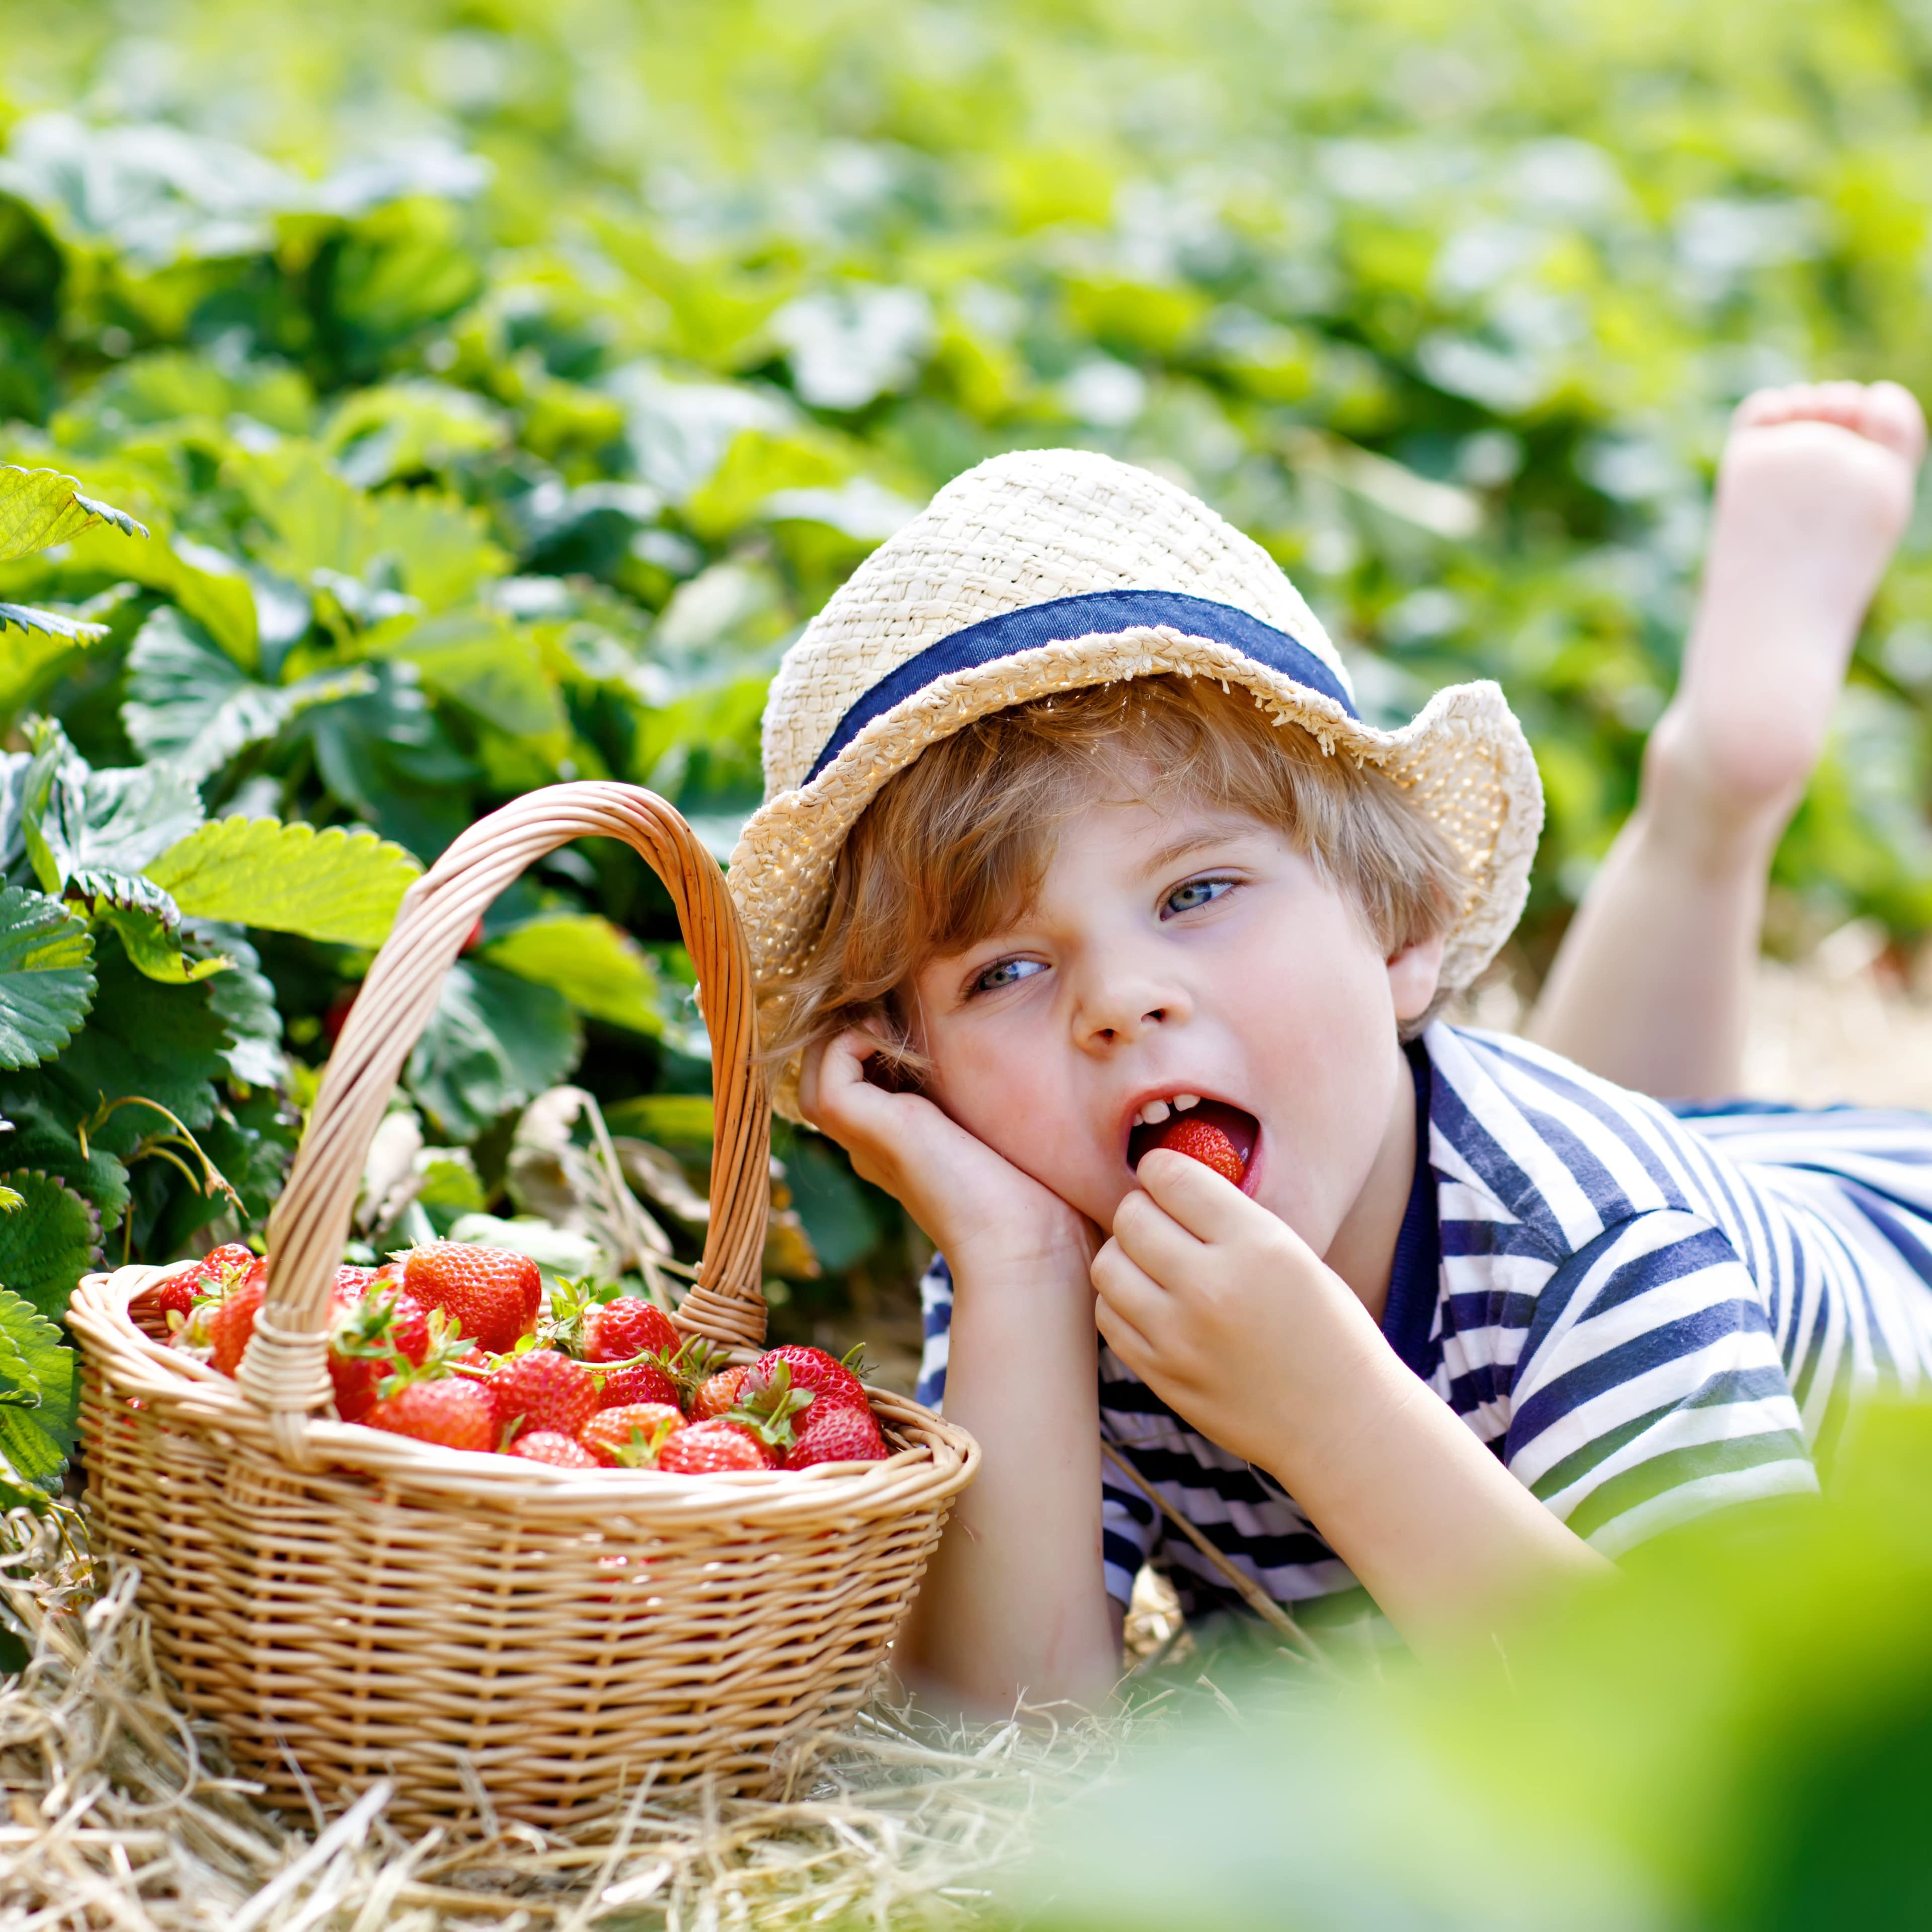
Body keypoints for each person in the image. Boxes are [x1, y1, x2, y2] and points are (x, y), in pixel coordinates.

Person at [725, 381, 1930, 1713]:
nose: (1119, 1003)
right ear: (923, 1076)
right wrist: (1010, 1267)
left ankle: (1714, 795)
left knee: (1581, 1192)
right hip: (1641, 1174)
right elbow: (1003, 1732)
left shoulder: (1607, 1252)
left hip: (1878, 1246)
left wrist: (1327, 1408)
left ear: (1404, 931)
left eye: (1196, 893)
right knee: (1601, 1151)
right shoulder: (1047, 1235)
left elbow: (1729, 1758)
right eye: (1005, 971)